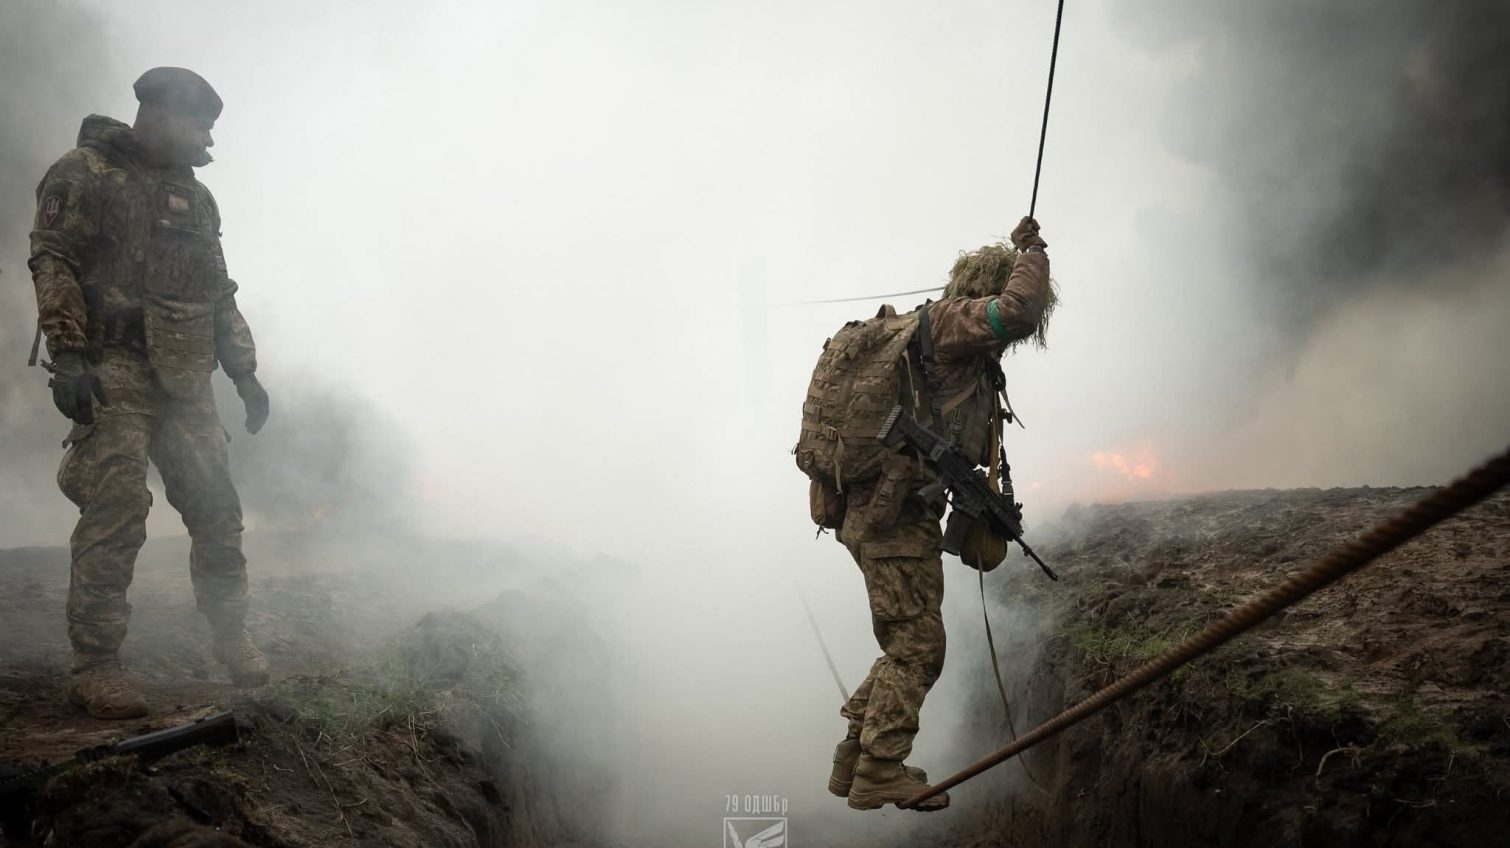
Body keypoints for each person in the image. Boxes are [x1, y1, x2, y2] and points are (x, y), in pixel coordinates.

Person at [28, 67, 271, 719]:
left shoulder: (197, 201)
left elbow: (218, 290)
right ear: (161, 115)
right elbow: (53, 261)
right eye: (200, 125)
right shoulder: (82, 174)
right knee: (118, 505)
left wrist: (243, 371)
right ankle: (96, 667)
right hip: (112, 366)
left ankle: (231, 637)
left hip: (186, 376)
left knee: (217, 509)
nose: (207, 141)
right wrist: (69, 351)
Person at [828, 215, 1055, 811]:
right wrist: (1030, 250)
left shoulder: (955, 358)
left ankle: (857, 753)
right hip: (891, 516)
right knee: (920, 647)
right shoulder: (953, 323)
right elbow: (1020, 311)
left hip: (893, 511)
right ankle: (881, 767)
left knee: (905, 640)